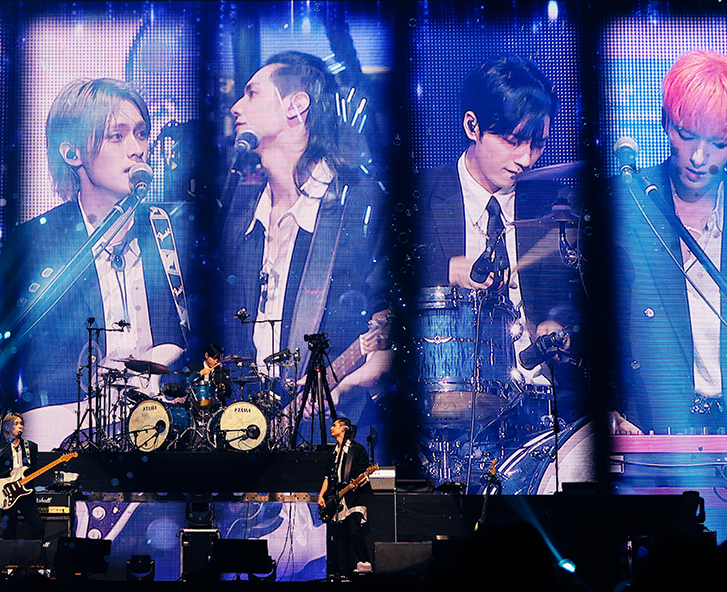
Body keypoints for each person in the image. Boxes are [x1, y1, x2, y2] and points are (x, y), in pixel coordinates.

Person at [8, 78, 193, 447]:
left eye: (141, 134)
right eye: (116, 136)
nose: (137, 149)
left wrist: (168, 357)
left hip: (164, 425)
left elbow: (209, 335)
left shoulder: (173, 230)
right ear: (72, 153)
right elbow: (27, 367)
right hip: (71, 432)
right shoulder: (36, 244)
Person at [612, 50, 727, 435]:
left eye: (719, 143)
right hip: (649, 428)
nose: (699, 157)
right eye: (687, 136)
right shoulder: (625, 205)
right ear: (665, 122)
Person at [219, 51, 390, 422]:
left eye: (252, 93)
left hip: (337, 430)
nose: (236, 107)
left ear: (296, 105)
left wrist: (352, 382)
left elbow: (392, 323)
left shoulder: (361, 205)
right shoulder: (240, 212)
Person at [420, 56, 576, 397]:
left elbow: (573, 299)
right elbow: (380, 285)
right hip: (447, 392)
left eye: (538, 144)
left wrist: (556, 324)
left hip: (539, 396)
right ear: (472, 126)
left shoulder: (557, 206)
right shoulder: (419, 197)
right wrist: (446, 270)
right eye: (512, 141)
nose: (526, 159)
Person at [317, 417, 373, 578]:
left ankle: (365, 563)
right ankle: (343, 572)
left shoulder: (357, 449)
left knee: (354, 530)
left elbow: (365, 472)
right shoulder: (332, 453)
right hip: (337, 497)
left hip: (354, 497)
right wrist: (321, 495)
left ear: (344, 428)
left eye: (334, 425)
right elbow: (327, 477)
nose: (331, 428)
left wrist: (357, 483)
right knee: (340, 536)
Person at [0, 413, 44, 541]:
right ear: (8, 427)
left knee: (38, 527)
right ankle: (10, 553)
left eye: (21, 423)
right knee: (9, 530)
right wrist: (10, 474)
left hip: (26, 493)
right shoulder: (0, 448)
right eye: (16, 423)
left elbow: (32, 470)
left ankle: (34, 552)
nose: (20, 426)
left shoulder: (31, 447)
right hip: (8, 492)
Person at [193, 343, 231, 410]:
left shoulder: (221, 371)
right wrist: (200, 373)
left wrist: (224, 388)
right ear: (206, 355)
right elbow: (186, 383)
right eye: (214, 358)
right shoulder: (194, 368)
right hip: (197, 405)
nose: (216, 361)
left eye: (218, 359)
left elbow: (228, 394)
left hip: (216, 408)